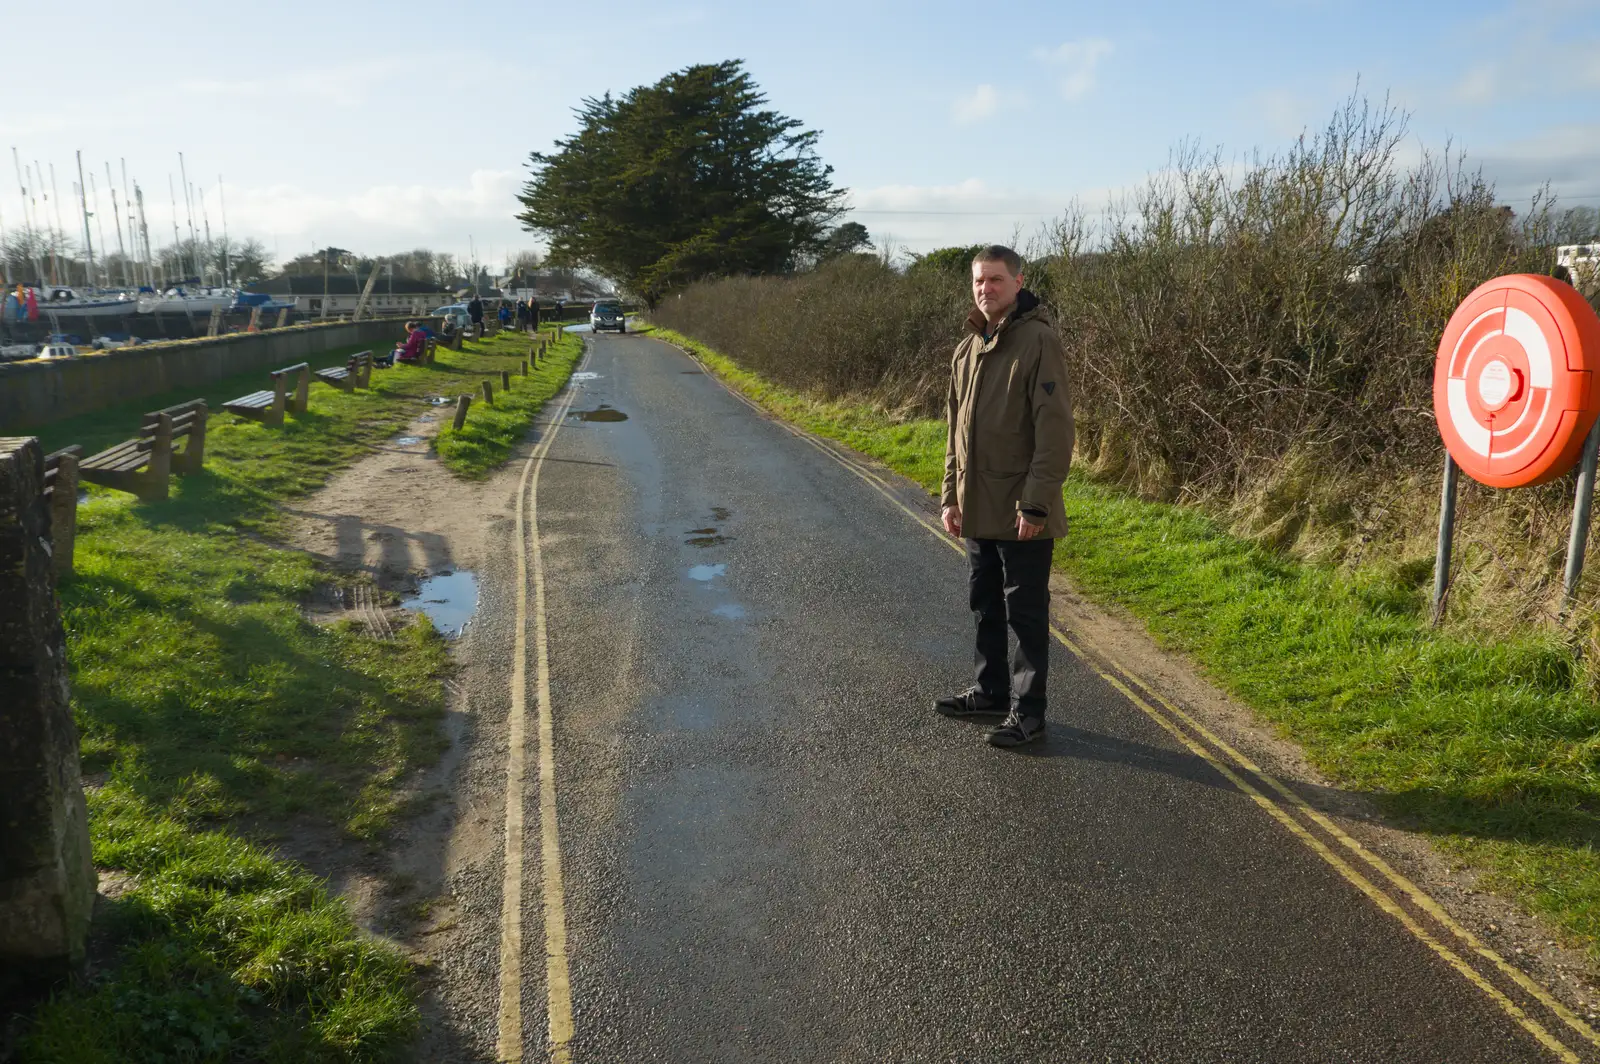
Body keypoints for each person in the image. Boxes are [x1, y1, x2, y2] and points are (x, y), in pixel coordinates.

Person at [935, 245, 1074, 749]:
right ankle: (990, 690)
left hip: (1021, 512)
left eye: (995, 280)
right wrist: (950, 497)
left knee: (1027, 613)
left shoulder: (1039, 341)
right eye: (978, 280)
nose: (985, 289)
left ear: (1018, 282)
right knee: (985, 605)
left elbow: (1054, 433)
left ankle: (1029, 713)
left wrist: (1036, 504)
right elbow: (954, 431)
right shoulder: (966, 347)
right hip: (975, 506)